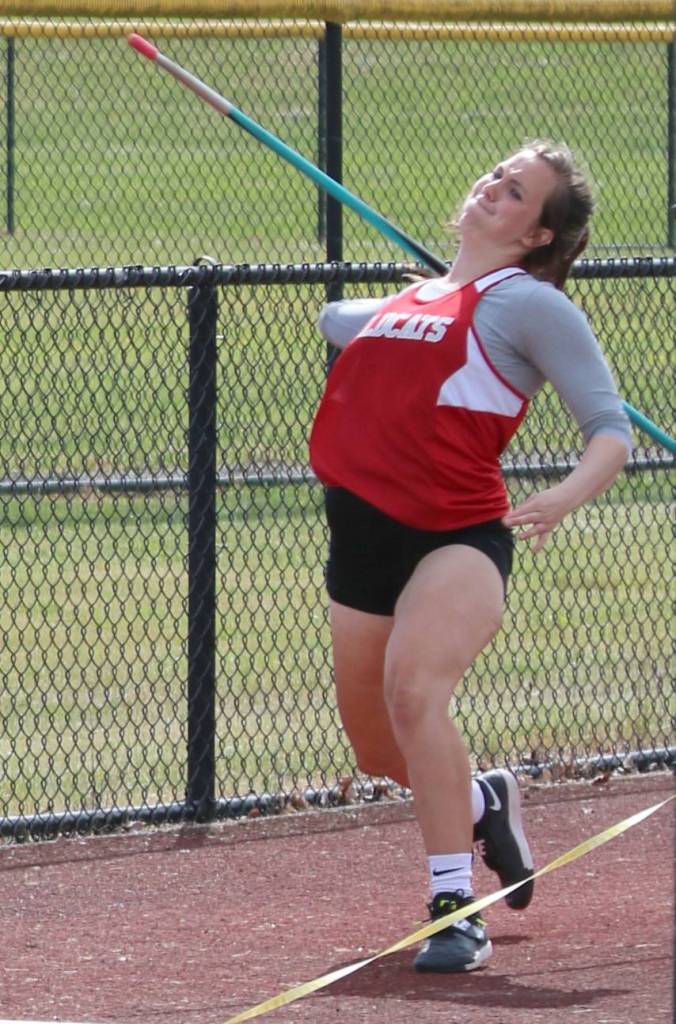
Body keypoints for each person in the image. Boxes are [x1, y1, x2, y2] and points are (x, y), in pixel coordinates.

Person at [308, 140, 633, 973]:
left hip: (459, 535)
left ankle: (457, 905)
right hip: (363, 539)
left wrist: (564, 495)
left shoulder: (532, 305)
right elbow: (335, 320)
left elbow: (611, 430)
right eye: (495, 174)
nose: (494, 186)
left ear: (537, 236)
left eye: (517, 191)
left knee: (415, 695)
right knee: (380, 751)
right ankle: (485, 798)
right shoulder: (410, 300)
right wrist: (405, 306)